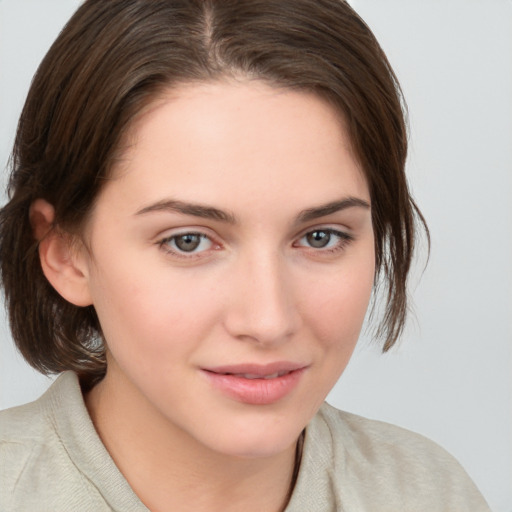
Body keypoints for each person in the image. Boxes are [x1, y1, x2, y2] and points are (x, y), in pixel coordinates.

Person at [0, 1, 491, 511]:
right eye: (187, 241)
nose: (268, 320)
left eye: (321, 237)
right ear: (65, 253)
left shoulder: (429, 494)